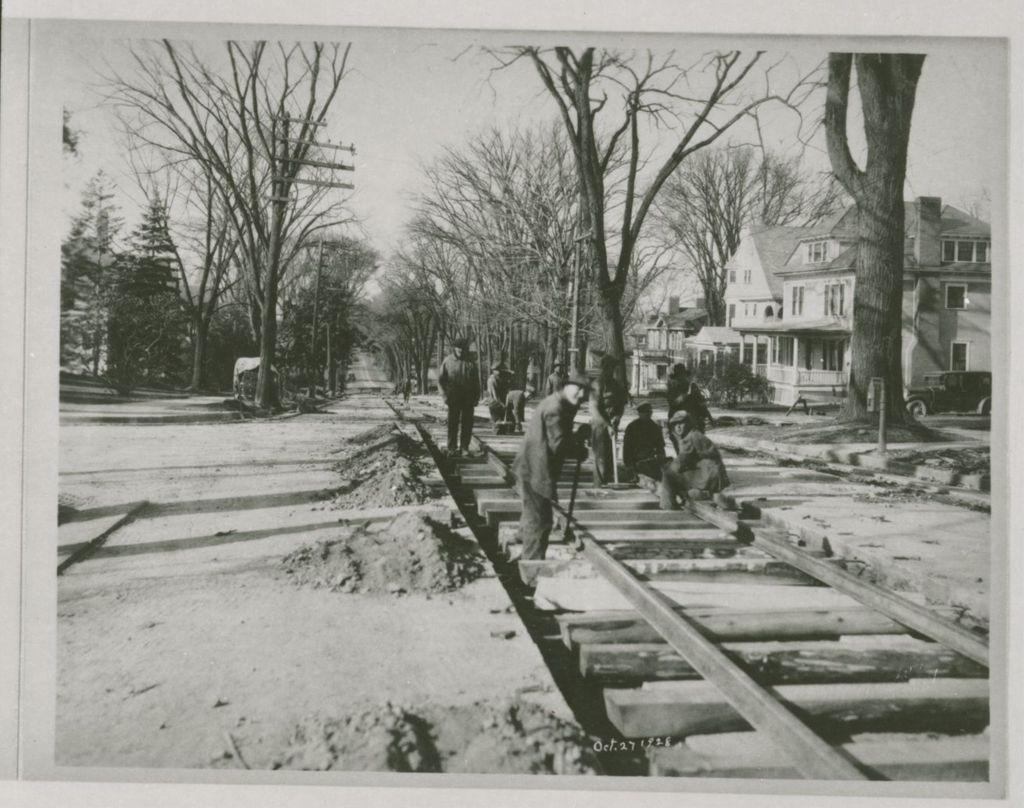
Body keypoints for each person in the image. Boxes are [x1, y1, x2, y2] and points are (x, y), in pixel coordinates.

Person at [511, 373, 591, 561]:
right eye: (578, 389)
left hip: (531, 466)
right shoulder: (555, 408)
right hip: (536, 470)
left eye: (585, 392)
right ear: (566, 386)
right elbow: (559, 444)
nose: (581, 395)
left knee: (532, 511)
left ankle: (521, 539)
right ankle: (531, 572)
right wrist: (579, 441)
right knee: (540, 521)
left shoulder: (560, 403)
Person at [659, 409, 731, 510]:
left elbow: (680, 462)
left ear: (688, 423)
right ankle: (699, 494)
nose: (678, 427)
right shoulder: (695, 434)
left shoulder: (690, 437)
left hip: (707, 476)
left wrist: (667, 467)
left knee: (668, 474)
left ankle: (668, 506)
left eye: (681, 423)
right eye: (675, 424)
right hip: (712, 474)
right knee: (678, 474)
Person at [589, 354, 628, 486]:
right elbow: (594, 409)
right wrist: (607, 425)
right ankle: (599, 485)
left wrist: (617, 417)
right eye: (608, 367)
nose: (610, 370)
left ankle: (609, 483)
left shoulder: (616, 385)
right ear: (603, 368)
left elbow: (621, 404)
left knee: (610, 457)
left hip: (612, 424)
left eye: (613, 368)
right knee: (600, 458)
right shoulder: (597, 384)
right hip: (600, 425)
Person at [438, 337, 480, 456]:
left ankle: (464, 448)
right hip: (453, 397)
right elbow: (441, 381)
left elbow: (476, 381)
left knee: (467, 424)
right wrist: (444, 396)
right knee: (453, 423)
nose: (460, 350)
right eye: (458, 348)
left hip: (468, 398)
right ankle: (451, 448)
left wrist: (477, 397)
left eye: (463, 348)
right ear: (454, 348)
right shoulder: (448, 361)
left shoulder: (471, 362)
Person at [666, 363, 712, 452]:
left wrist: (707, 415)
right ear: (675, 377)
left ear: (685, 375)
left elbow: (701, 404)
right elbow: (673, 403)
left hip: (693, 423)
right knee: (680, 449)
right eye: (678, 376)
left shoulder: (692, 387)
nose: (681, 378)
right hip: (677, 425)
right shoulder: (672, 389)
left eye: (682, 375)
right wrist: (685, 396)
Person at [622, 402, 667, 486]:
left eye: (649, 412)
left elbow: (660, 446)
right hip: (636, 461)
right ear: (639, 413)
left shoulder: (655, 427)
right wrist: (629, 465)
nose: (647, 414)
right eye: (644, 412)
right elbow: (627, 448)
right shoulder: (632, 427)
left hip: (650, 460)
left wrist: (662, 460)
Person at [486, 362, 511, 426]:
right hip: (494, 404)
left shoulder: (501, 378)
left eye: (500, 370)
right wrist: (502, 405)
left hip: (502, 403)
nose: (499, 372)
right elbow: (495, 396)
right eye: (497, 370)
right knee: (498, 424)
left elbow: (505, 390)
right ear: (493, 371)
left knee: (508, 423)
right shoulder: (492, 380)